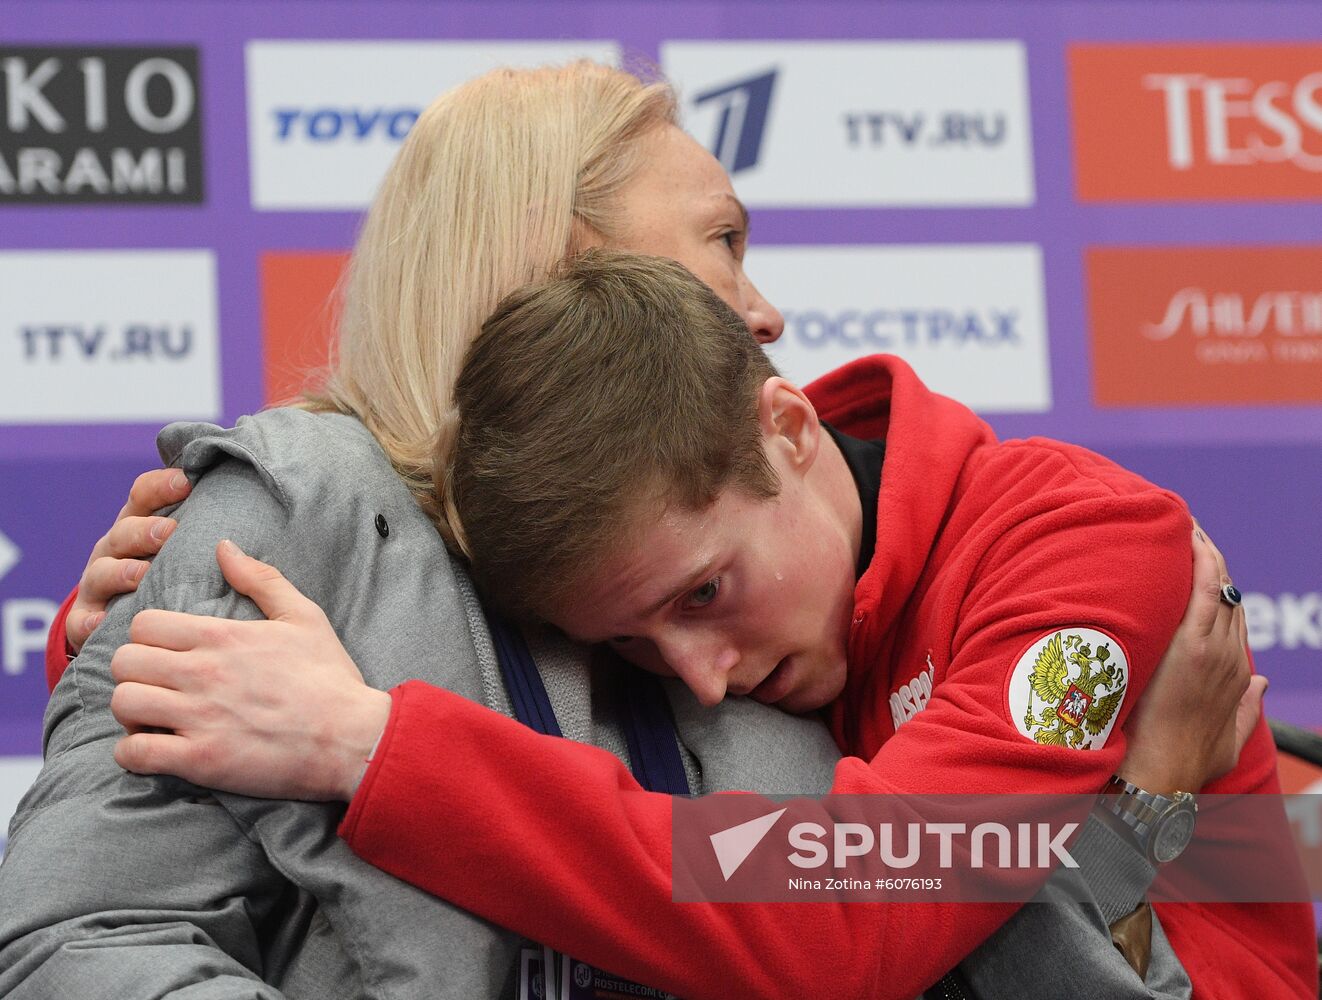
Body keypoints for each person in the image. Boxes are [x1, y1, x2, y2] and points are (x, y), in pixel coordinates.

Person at [9, 61, 1286, 999]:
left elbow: (855, 909)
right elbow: (88, 919)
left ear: (781, 437)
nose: (765, 308)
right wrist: (112, 647)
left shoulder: (1051, 539)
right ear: (558, 268)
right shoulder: (319, 514)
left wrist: (376, 744)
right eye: (720, 243)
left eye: (698, 597)